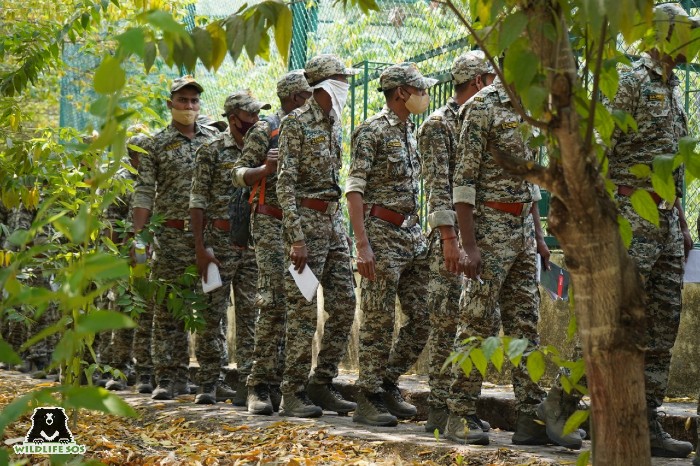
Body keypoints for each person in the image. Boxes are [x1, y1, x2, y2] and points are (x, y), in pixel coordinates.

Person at [539, 3, 697, 458]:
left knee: (663, 325)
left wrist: (681, 222)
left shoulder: (672, 88)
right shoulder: (628, 80)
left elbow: (671, 165)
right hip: (627, 218)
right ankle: (559, 404)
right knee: (608, 318)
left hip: (665, 222)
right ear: (664, 34)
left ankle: (647, 421)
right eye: (686, 31)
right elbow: (596, 154)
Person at [447, 67, 552, 445]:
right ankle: (458, 414)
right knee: (475, 322)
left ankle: (530, 418)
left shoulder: (534, 109)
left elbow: (532, 178)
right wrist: (469, 245)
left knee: (526, 325)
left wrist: (539, 237)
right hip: (488, 227)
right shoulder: (482, 107)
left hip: (523, 228)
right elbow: (463, 181)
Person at [346, 62, 435, 427]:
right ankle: (367, 399)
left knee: (424, 315)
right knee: (378, 322)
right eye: (420, 89)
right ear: (401, 92)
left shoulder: (410, 131)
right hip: (381, 236)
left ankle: (385, 382)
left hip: (412, 236)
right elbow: (354, 190)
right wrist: (362, 245)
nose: (424, 96)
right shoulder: (372, 131)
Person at [416, 51, 495, 433]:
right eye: (491, 77)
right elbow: (437, 187)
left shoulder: (486, 116)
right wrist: (451, 239)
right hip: (452, 239)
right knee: (447, 320)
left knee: (475, 322)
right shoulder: (438, 125)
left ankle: (458, 407)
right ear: (479, 81)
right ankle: (440, 408)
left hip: (482, 236)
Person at [276, 54, 358, 418]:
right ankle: (291, 392)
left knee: (344, 304)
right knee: (303, 311)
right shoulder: (296, 123)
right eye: (343, 78)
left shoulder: (333, 122)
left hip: (333, 223)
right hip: (305, 228)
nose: (347, 84)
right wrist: (296, 238)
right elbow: (285, 184)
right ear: (324, 83)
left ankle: (321, 383)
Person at [132, 75, 219, 400]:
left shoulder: (213, 141)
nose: (189, 107)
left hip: (210, 238)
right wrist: (139, 239)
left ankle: (210, 379)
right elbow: (144, 192)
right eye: (183, 101)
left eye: (194, 101)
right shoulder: (155, 145)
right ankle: (169, 378)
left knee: (210, 309)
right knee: (168, 309)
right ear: (170, 105)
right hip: (170, 237)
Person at [232, 71, 313, 415]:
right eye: (308, 95)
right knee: (273, 299)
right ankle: (258, 385)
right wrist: (265, 168)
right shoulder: (266, 130)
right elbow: (238, 172)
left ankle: (291, 384)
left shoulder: (316, 129)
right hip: (269, 222)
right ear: (295, 98)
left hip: (303, 227)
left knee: (303, 297)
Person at [189, 90, 267, 405]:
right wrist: (200, 247)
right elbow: (197, 201)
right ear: (233, 119)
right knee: (211, 313)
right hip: (217, 245)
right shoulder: (210, 151)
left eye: (259, 116)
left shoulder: (263, 148)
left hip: (251, 244)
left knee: (252, 315)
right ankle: (210, 382)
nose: (256, 122)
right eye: (251, 116)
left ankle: (249, 385)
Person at [103, 126, 151, 391]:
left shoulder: (156, 179)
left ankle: (145, 371)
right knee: (123, 310)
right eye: (141, 155)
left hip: (152, 253)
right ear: (132, 155)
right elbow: (110, 223)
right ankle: (120, 369)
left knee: (147, 311)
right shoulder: (120, 181)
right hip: (126, 254)